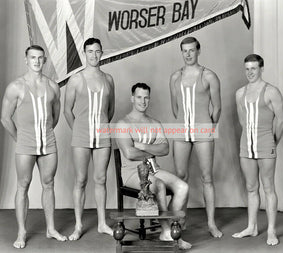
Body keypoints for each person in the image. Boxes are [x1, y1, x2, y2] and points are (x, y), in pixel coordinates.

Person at [1, 45, 67, 248]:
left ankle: (51, 228)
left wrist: (44, 132)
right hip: (25, 143)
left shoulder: (53, 86)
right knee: (23, 185)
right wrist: (20, 138)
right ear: (26, 60)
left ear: (44, 60)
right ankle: (21, 232)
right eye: (32, 57)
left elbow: (55, 116)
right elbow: (5, 118)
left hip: (48, 142)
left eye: (40, 58)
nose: (36, 61)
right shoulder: (16, 87)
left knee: (49, 184)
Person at [116, 83, 192, 250]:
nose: (143, 101)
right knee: (158, 184)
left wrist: (142, 147)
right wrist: (151, 152)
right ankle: (166, 231)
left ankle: (170, 225)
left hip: (153, 169)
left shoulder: (154, 123)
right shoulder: (123, 124)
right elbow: (129, 153)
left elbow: (165, 149)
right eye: (139, 97)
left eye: (146, 97)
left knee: (183, 187)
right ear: (132, 98)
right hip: (131, 173)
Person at [169, 37, 222, 237]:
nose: (188, 54)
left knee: (207, 177)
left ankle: (211, 223)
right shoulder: (175, 77)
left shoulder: (209, 76)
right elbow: (175, 108)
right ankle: (181, 220)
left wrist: (208, 127)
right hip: (181, 131)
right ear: (181, 52)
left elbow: (217, 108)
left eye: (192, 50)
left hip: (203, 130)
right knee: (181, 177)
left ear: (199, 51)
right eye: (185, 51)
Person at [232, 54, 283, 246]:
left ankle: (271, 230)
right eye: (247, 69)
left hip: (266, 144)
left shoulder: (271, 92)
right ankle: (251, 227)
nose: (250, 72)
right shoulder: (240, 93)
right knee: (251, 187)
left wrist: (273, 142)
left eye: (253, 68)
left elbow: (281, 121)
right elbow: (242, 121)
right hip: (246, 146)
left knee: (269, 188)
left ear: (261, 68)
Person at [64, 38, 115, 240]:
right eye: (90, 51)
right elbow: (67, 110)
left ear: (102, 53)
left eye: (97, 51)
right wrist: (79, 129)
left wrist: (100, 127)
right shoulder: (76, 79)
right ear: (84, 53)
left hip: (102, 135)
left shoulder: (109, 79)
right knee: (81, 180)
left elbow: (110, 110)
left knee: (101, 179)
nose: (94, 55)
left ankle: (102, 223)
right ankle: (78, 226)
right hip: (81, 135)